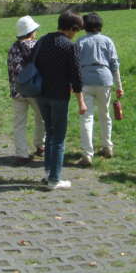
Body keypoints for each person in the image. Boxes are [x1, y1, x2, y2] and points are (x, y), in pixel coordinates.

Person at [34, 10, 87, 190]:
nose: (76, 34)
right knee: (58, 137)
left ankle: (48, 173)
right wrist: (81, 101)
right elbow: (76, 76)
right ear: (72, 28)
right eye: (77, 30)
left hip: (41, 93)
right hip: (59, 96)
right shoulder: (69, 46)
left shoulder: (42, 40)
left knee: (49, 133)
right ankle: (55, 179)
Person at [76, 13, 124, 166]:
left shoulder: (80, 42)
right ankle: (107, 146)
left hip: (85, 81)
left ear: (84, 26)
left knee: (86, 118)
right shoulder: (107, 41)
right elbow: (114, 64)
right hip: (104, 80)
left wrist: (73, 84)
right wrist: (119, 86)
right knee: (105, 115)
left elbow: (74, 66)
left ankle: (87, 153)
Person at [7, 16, 46, 166]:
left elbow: (11, 70)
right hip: (35, 90)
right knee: (41, 118)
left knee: (19, 123)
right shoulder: (38, 46)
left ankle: (21, 154)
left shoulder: (13, 48)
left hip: (18, 90)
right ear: (31, 31)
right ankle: (41, 145)